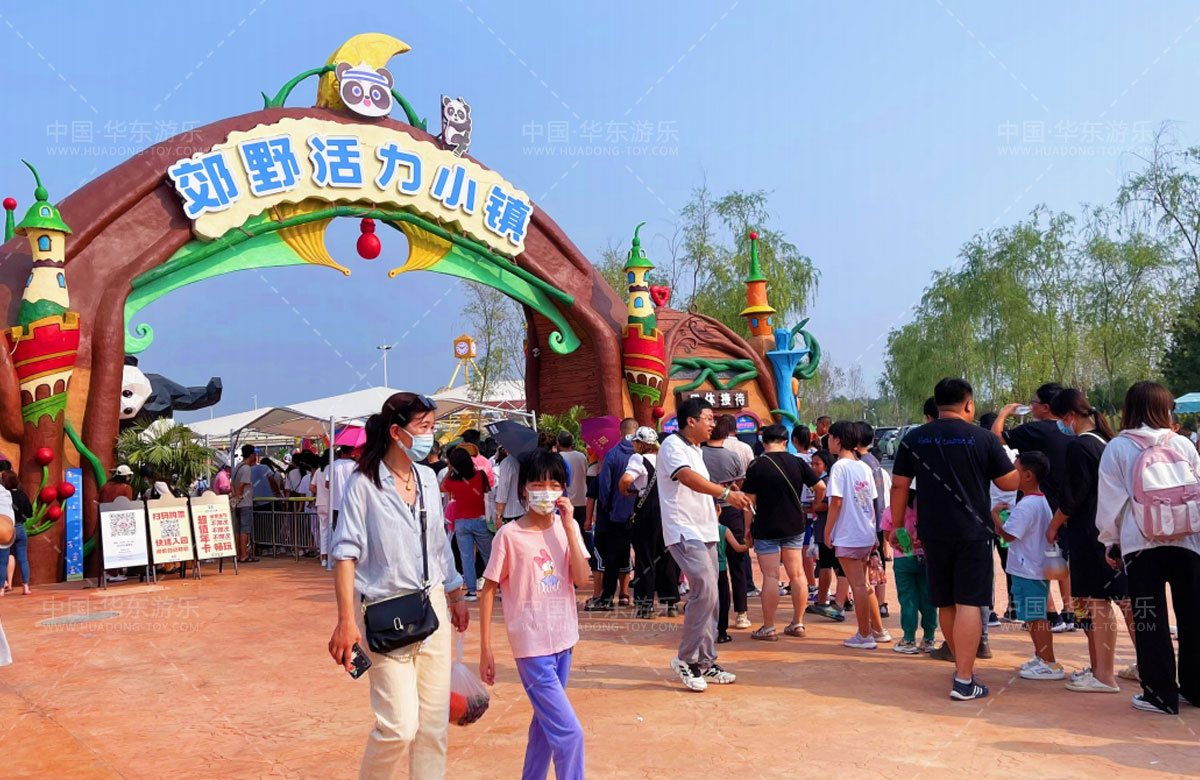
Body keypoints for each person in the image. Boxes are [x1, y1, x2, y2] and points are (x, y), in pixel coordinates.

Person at [328, 392, 469, 779]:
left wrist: (455, 592)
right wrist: (346, 621)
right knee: (398, 726)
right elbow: (344, 554)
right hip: (385, 612)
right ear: (396, 432)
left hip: (432, 607)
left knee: (433, 726)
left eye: (432, 426)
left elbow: (438, 543)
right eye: (423, 427)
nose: (430, 435)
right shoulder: (363, 484)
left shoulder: (428, 479)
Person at [891, 377, 1019, 701]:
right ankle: (964, 678)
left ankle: (962, 668)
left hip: (932, 532)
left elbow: (899, 485)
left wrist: (897, 526)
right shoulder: (983, 438)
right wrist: (1027, 466)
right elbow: (1008, 483)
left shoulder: (914, 439)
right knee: (970, 602)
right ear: (969, 404)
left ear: (937, 404)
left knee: (946, 601)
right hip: (973, 533)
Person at [479, 449, 590, 780]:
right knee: (570, 734)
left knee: (545, 725)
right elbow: (488, 589)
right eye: (538, 484)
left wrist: (569, 528)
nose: (546, 491)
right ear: (523, 489)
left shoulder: (567, 528)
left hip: (564, 639)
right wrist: (486, 648)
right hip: (531, 647)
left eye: (554, 484)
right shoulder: (509, 536)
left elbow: (582, 579)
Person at [1096, 381, 1200, 715]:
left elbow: (1110, 503)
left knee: (1148, 618)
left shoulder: (1117, 448)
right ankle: (1196, 689)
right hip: (1188, 541)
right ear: (1166, 409)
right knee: (1193, 615)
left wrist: (1110, 541)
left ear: (1129, 408)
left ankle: (1160, 695)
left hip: (1140, 544)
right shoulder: (1182, 443)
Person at [659, 397, 751, 692]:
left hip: (706, 529)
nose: (713, 424)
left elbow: (698, 486)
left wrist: (719, 497)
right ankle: (686, 659)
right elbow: (686, 478)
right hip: (684, 530)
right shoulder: (672, 446)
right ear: (691, 421)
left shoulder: (697, 450)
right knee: (706, 589)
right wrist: (724, 494)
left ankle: (705, 661)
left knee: (713, 596)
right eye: (709, 418)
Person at [1048, 389, 1136, 693]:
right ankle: (1145, 665)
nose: (1060, 426)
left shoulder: (1080, 446)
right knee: (1125, 601)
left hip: (1090, 534)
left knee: (1097, 603)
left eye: (1060, 419)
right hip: (1115, 533)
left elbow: (1073, 497)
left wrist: (1053, 526)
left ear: (1070, 416)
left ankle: (1104, 676)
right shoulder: (1106, 442)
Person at [992, 382, 1076, 631]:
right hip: (1067, 505)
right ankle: (1070, 612)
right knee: (1061, 559)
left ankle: (1051, 615)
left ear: (1046, 407)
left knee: (1036, 560)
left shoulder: (1037, 430)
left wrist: (1005, 413)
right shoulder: (1071, 430)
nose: (1032, 406)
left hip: (1040, 502)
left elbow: (997, 437)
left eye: (1035, 402)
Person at [741, 424, 825, 640]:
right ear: (785, 442)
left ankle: (769, 627)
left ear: (763, 442)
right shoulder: (798, 462)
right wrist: (815, 506)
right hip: (795, 524)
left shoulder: (757, 465)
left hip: (766, 526)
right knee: (797, 574)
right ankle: (798, 623)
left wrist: (747, 528)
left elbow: (749, 501)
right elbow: (821, 487)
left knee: (771, 576)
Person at [991, 452, 1063, 680]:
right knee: (1032, 617)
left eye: (1016, 471)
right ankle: (1041, 657)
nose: (1011, 475)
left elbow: (1008, 535)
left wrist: (995, 516)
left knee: (1036, 617)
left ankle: (1049, 662)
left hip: (1029, 570)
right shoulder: (1037, 501)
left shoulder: (1027, 505)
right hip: (1031, 569)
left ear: (1029, 476)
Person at [825, 421, 888, 649]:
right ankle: (877, 630)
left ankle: (864, 635)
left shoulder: (839, 467)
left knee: (858, 586)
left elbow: (836, 502)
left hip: (848, 534)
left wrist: (827, 531)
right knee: (863, 584)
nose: (828, 441)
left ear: (838, 440)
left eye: (830, 437)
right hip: (865, 533)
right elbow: (871, 501)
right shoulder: (863, 466)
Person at [619, 426, 680, 618]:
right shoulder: (665, 458)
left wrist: (624, 490)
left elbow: (626, 479)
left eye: (635, 441)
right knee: (666, 556)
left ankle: (646, 606)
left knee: (645, 557)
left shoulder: (638, 459)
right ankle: (671, 603)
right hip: (667, 510)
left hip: (646, 512)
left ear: (641, 444)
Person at [586, 418, 638, 611]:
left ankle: (607, 597)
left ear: (620, 432)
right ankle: (636, 598)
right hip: (639, 514)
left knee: (612, 557)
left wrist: (607, 506)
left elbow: (605, 486)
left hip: (615, 515)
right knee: (638, 556)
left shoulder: (612, 454)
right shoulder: (642, 455)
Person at [701, 416, 748, 628]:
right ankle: (741, 613)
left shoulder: (698, 455)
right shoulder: (732, 456)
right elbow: (739, 482)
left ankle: (710, 611)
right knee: (737, 563)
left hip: (706, 512)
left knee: (707, 564)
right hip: (731, 511)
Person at [882, 487, 937, 653]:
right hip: (926, 558)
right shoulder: (926, 508)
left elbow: (888, 536)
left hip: (903, 559)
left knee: (908, 599)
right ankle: (929, 638)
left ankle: (909, 639)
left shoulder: (890, 511)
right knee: (928, 598)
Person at [441, 447, 492, 602]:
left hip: (461, 522)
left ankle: (471, 591)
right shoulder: (480, 475)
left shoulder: (452, 481)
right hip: (481, 520)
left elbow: (442, 486)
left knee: (467, 557)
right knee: (489, 555)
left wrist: (450, 470)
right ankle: (499, 586)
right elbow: (488, 491)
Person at [806, 450, 848, 620]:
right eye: (812, 463)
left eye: (817, 464)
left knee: (826, 565)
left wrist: (814, 506)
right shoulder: (824, 481)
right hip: (827, 530)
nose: (813, 467)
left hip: (827, 530)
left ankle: (823, 600)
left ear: (826, 465)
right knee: (837, 566)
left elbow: (831, 505)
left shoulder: (827, 482)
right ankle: (844, 599)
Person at [855, 423, 890, 618]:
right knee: (878, 563)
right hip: (877, 519)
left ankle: (872, 607)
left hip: (868, 522)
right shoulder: (873, 460)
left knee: (866, 568)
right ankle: (881, 603)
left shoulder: (861, 463)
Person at [99, 465, 136, 581]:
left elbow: (98, 500)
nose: (129, 478)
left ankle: (107, 572)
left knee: (108, 545)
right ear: (124, 476)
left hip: (105, 519)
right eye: (128, 476)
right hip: (120, 521)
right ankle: (114, 574)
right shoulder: (126, 488)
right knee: (119, 545)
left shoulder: (105, 486)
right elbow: (128, 504)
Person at [716, 521, 749, 643]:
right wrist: (748, 545)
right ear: (719, 511)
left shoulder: (700, 529)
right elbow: (738, 548)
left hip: (706, 570)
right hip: (721, 570)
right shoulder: (723, 529)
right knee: (723, 601)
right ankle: (722, 633)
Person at [0, 471, 32, 596]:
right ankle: (26, 587)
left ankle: (2, 588)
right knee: (23, 559)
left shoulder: (4, 495)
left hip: (6, 529)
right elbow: (29, 513)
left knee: (3, 560)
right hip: (20, 528)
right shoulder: (22, 494)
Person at [558, 431, 589, 550]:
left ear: (559, 443)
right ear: (572, 443)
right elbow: (586, 474)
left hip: (566, 501)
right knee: (583, 533)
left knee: (568, 533)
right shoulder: (581, 456)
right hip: (582, 500)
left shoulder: (559, 458)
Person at [232, 445, 259, 563]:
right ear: (252, 455)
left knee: (238, 530)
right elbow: (241, 486)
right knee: (245, 530)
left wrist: (234, 500)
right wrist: (238, 498)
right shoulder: (247, 468)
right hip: (245, 503)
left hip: (237, 503)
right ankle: (244, 554)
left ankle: (238, 554)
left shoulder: (237, 466)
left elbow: (232, 485)